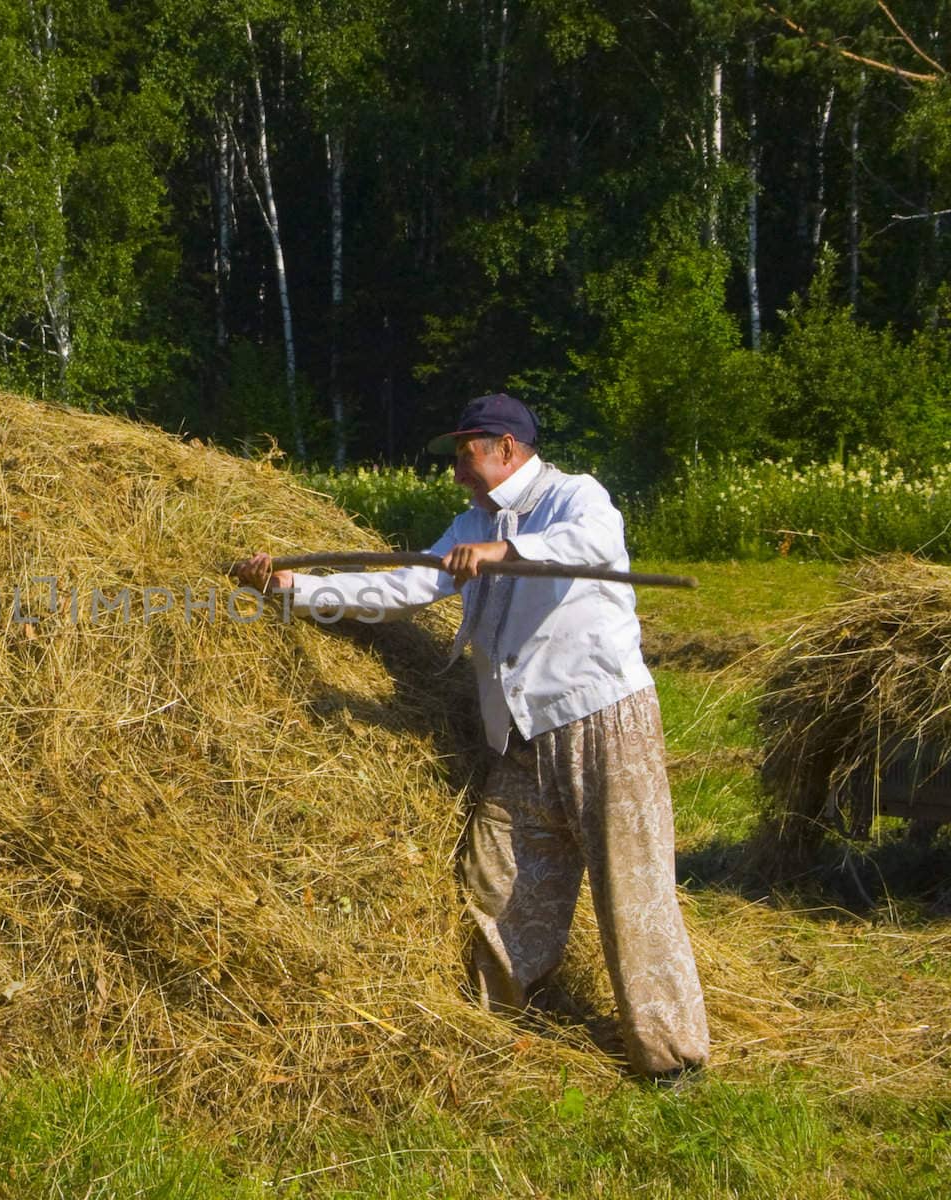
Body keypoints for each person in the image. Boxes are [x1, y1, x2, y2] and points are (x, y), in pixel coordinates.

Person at [237, 393, 709, 1078]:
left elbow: (592, 546)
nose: (457, 472)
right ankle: (499, 1027)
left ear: (506, 449)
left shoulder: (574, 498)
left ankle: (673, 1060)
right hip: (518, 736)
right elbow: (401, 586)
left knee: (631, 890)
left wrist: (505, 549)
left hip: (601, 721)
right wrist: (291, 586)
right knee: (499, 880)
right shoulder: (469, 524)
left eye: (466, 456)